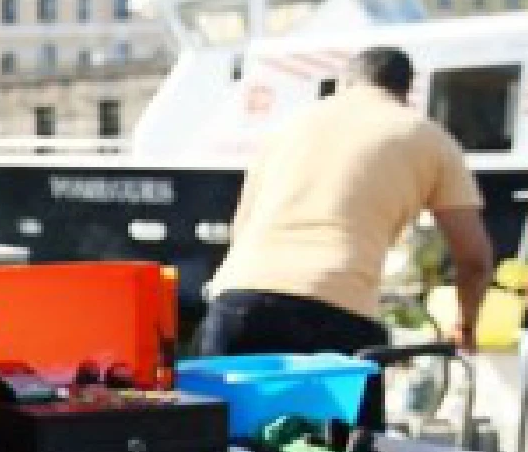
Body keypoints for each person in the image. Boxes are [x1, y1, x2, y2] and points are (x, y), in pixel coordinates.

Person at [199, 47, 493, 428]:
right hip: (339, 307)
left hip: (239, 301)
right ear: (405, 91)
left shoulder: (289, 127)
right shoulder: (426, 137)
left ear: (342, 85)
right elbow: (474, 259)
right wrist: (466, 324)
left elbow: (242, 229)